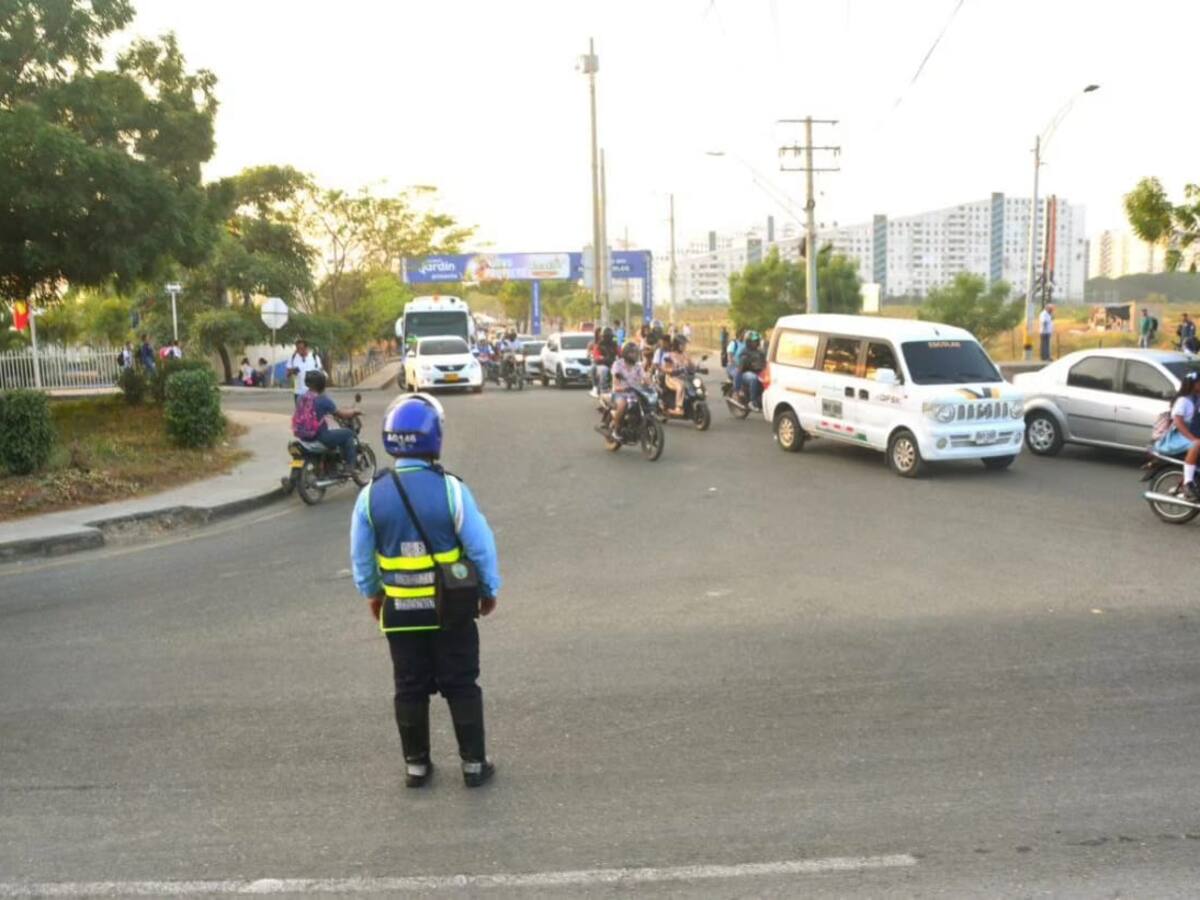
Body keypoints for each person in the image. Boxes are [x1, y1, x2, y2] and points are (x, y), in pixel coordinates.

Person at [350, 393, 501, 788]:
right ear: (434, 437)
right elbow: (481, 547)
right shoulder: (451, 490)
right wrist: (489, 589)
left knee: (409, 686)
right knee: (461, 682)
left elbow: (361, 558)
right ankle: (473, 764)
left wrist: (373, 594)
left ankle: (416, 766)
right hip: (450, 611)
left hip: (399, 612)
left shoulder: (370, 495)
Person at [294, 370, 358, 472]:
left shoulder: (300, 398)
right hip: (319, 436)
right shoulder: (323, 399)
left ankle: (329, 465)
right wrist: (354, 412)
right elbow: (342, 415)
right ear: (323, 385)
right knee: (349, 433)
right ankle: (350, 466)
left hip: (303, 436)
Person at [1156, 372, 1200, 500]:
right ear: (1194, 384)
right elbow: (1178, 422)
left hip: (1192, 435)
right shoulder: (1183, 401)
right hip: (1179, 436)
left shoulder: (1197, 399)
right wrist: (1192, 439)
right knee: (1197, 444)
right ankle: (1188, 483)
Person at [610, 341, 647, 440]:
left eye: (636, 353)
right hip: (620, 393)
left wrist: (653, 385)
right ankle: (616, 430)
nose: (635, 355)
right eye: (632, 353)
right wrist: (623, 387)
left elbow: (645, 378)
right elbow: (616, 383)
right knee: (623, 404)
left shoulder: (638, 366)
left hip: (635, 393)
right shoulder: (618, 364)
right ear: (626, 353)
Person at [288, 339, 323, 407]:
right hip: (298, 392)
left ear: (306, 348)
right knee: (300, 414)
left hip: (313, 392)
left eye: (301, 348)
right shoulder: (293, 358)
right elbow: (287, 374)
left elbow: (320, 373)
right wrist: (292, 371)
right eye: (297, 349)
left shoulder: (314, 357)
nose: (299, 351)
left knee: (313, 412)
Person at [737, 331, 767, 411]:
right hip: (746, 373)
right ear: (748, 342)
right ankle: (752, 401)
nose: (756, 342)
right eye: (754, 341)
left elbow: (765, 362)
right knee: (753, 378)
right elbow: (740, 369)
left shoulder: (760, 352)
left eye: (757, 341)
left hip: (758, 372)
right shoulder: (744, 352)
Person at [662, 335, 691, 416]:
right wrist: (671, 370)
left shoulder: (685, 355)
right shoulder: (670, 355)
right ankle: (678, 408)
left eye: (685, 344)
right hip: (671, 378)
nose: (685, 346)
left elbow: (692, 365)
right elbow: (665, 368)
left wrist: (700, 369)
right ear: (677, 345)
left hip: (684, 377)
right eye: (683, 344)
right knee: (680, 386)